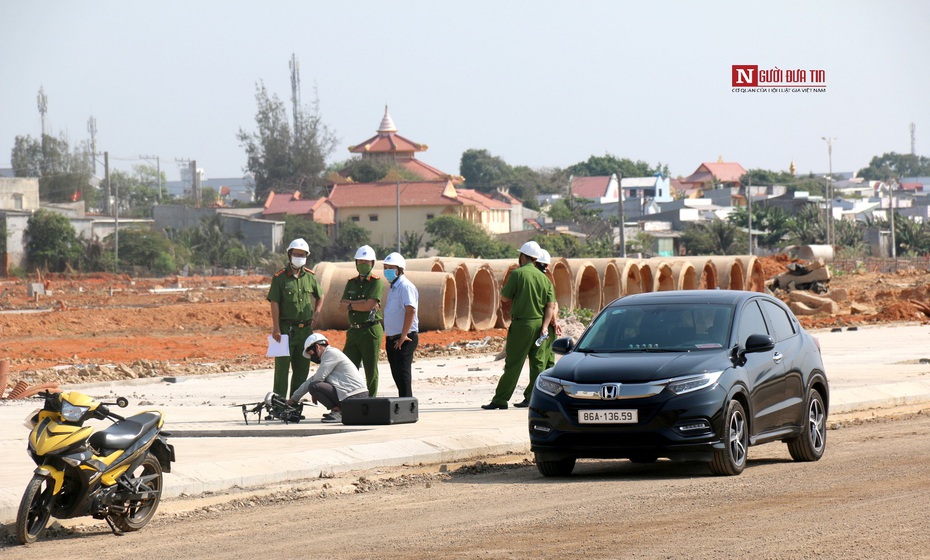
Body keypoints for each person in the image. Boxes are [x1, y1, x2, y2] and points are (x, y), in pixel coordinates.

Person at [483, 241, 556, 410]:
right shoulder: (545, 279)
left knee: (514, 363)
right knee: (538, 364)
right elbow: (551, 306)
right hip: (540, 325)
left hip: (523, 324)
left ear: (523, 256)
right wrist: (545, 327)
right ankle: (533, 398)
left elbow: (504, 298)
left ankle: (501, 399)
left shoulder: (517, 274)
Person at [266, 238, 323, 398]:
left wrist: (316, 313)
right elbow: (274, 303)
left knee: (302, 370)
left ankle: (294, 405)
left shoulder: (310, 277)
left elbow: (321, 295)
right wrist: (276, 327)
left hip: (305, 331)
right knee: (282, 370)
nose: (299, 257)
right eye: (296, 254)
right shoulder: (280, 277)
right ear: (290, 255)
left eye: (302, 255)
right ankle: (279, 406)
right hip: (285, 330)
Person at [287, 334, 368, 424]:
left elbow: (318, 378)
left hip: (354, 396)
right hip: (353, 395)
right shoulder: (330, 355)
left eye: (311, 354)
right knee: (314, 385)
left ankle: (339, 412)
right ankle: (339, 409)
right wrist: (294, 398)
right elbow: (316, 378)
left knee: (314, 386)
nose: (312, 358)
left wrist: (294, 399)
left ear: (317, 347)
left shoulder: (330, 353)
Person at [339, 245, 384, 396]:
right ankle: (350, 399)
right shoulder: (351, 282)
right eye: (360, 261)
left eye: (367, 261)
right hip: (353, 330)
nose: (363, 264)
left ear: (372, 263)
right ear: (356, 263)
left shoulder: (376, 282)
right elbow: (341, 306)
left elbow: (369, 306)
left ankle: (371, 399)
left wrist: (351, 305)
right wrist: (361, 304)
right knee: (347, 367)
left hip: (370, 330)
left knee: (371, 369)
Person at [382, 252, 419, 398]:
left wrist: (404, 335)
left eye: (391, 267)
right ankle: (403, 403)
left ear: (399, 269)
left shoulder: (405, 286)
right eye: (385, 267)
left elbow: (410, 310)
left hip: (405, 337)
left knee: (403, 374)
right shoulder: (394, 287)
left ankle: (407, 405)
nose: (387, 270)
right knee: (396, 373)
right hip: (393, 338)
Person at [534, 249, 563, 371]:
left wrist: (550, 321)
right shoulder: (547, 281)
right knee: (549, 360)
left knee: (540, 361)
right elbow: (554, 304)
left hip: (541, 326)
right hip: (548, 326)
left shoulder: (535, 280)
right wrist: (554, 320)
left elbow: (551, 305)